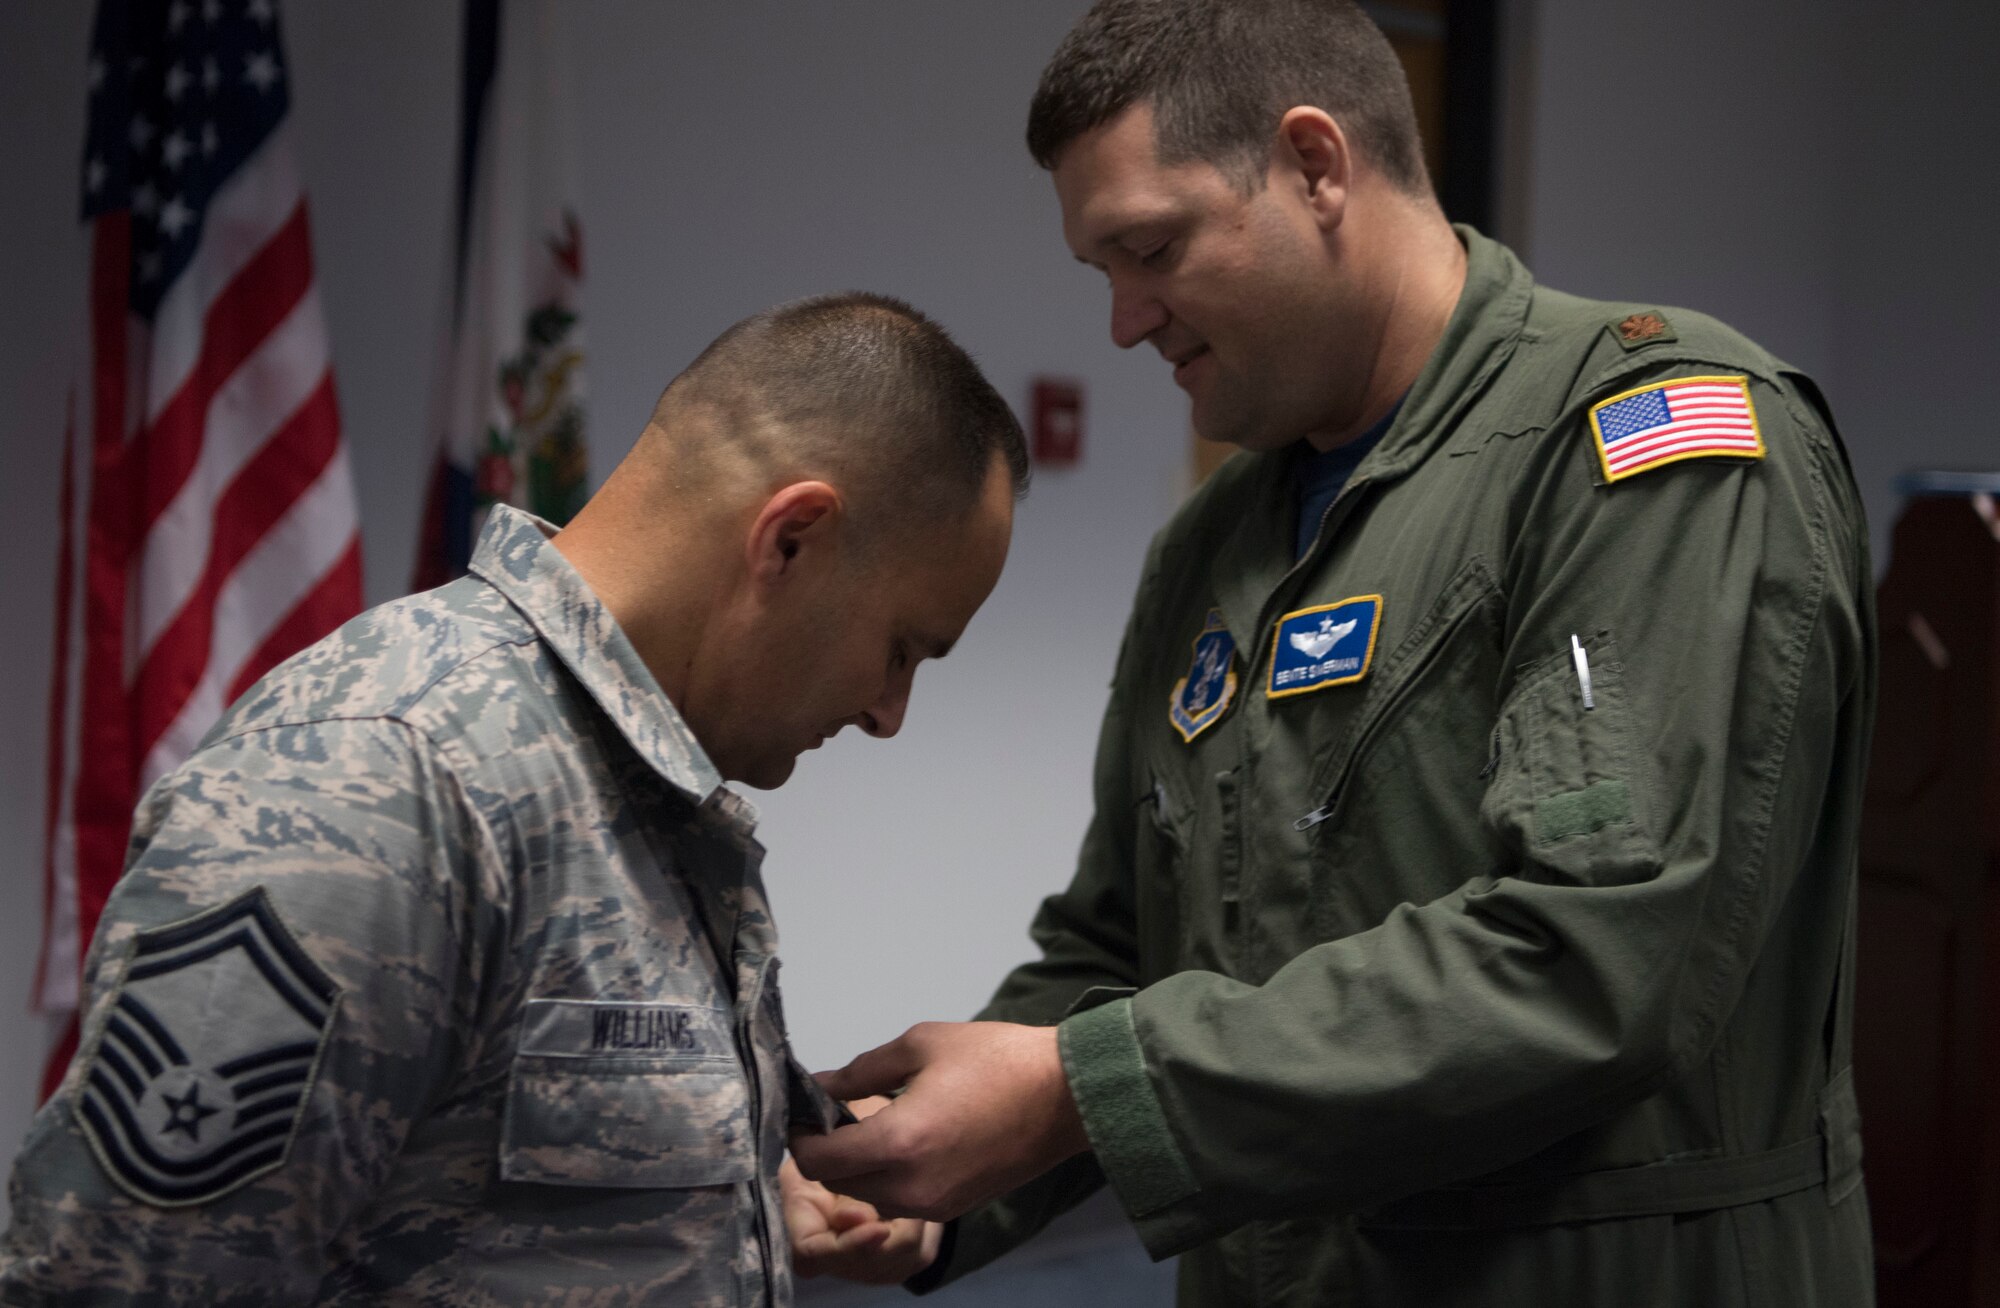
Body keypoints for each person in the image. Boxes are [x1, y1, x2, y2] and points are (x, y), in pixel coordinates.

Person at [786, 3, 1879, 1304]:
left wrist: (1081, 1090)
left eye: (1151, 249)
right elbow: (1119, 949)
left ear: (1315, 166)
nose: (1127, 321)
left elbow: (1594, 961)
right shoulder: (1213, 546)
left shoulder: (1647, 449)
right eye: (1102, 273)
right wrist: (944, 1183)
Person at [0, 292, 1026, 1306]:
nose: (889, 713)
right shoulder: (381, 781)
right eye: (902, 649)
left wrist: (746, 1196)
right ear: (789, 539)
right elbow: (123, 1281)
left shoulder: (643, 791)